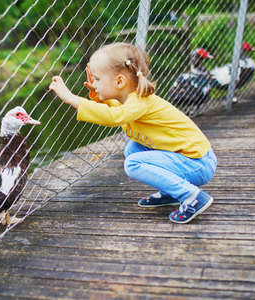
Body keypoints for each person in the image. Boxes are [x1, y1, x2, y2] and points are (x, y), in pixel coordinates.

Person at [49, 42, 217, 224]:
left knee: (133, 163)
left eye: (97, 79)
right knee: (133, 149)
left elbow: (114, 116)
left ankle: (192, 196)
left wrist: (71, 98)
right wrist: (97, 95)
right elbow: (117, 108)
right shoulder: (130, 98)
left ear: (120, 82)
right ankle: (171, 192)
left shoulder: (139, 101)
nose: (93, 83)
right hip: (189, 158)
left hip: (197, 164)